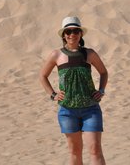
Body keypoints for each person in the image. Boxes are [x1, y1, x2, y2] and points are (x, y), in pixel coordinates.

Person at [39, 16, 108, 165]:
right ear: (64, 35)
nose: (72, 34)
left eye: (76, 31)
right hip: (67, 111)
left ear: (81, 34)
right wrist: (53, 94)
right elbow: (43, 76)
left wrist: (101, 90)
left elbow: (104, 72)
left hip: (91, 109)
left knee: (95, 150)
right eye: (68, 31)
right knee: (75, 151)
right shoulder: (56, 55)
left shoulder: (89, 54)